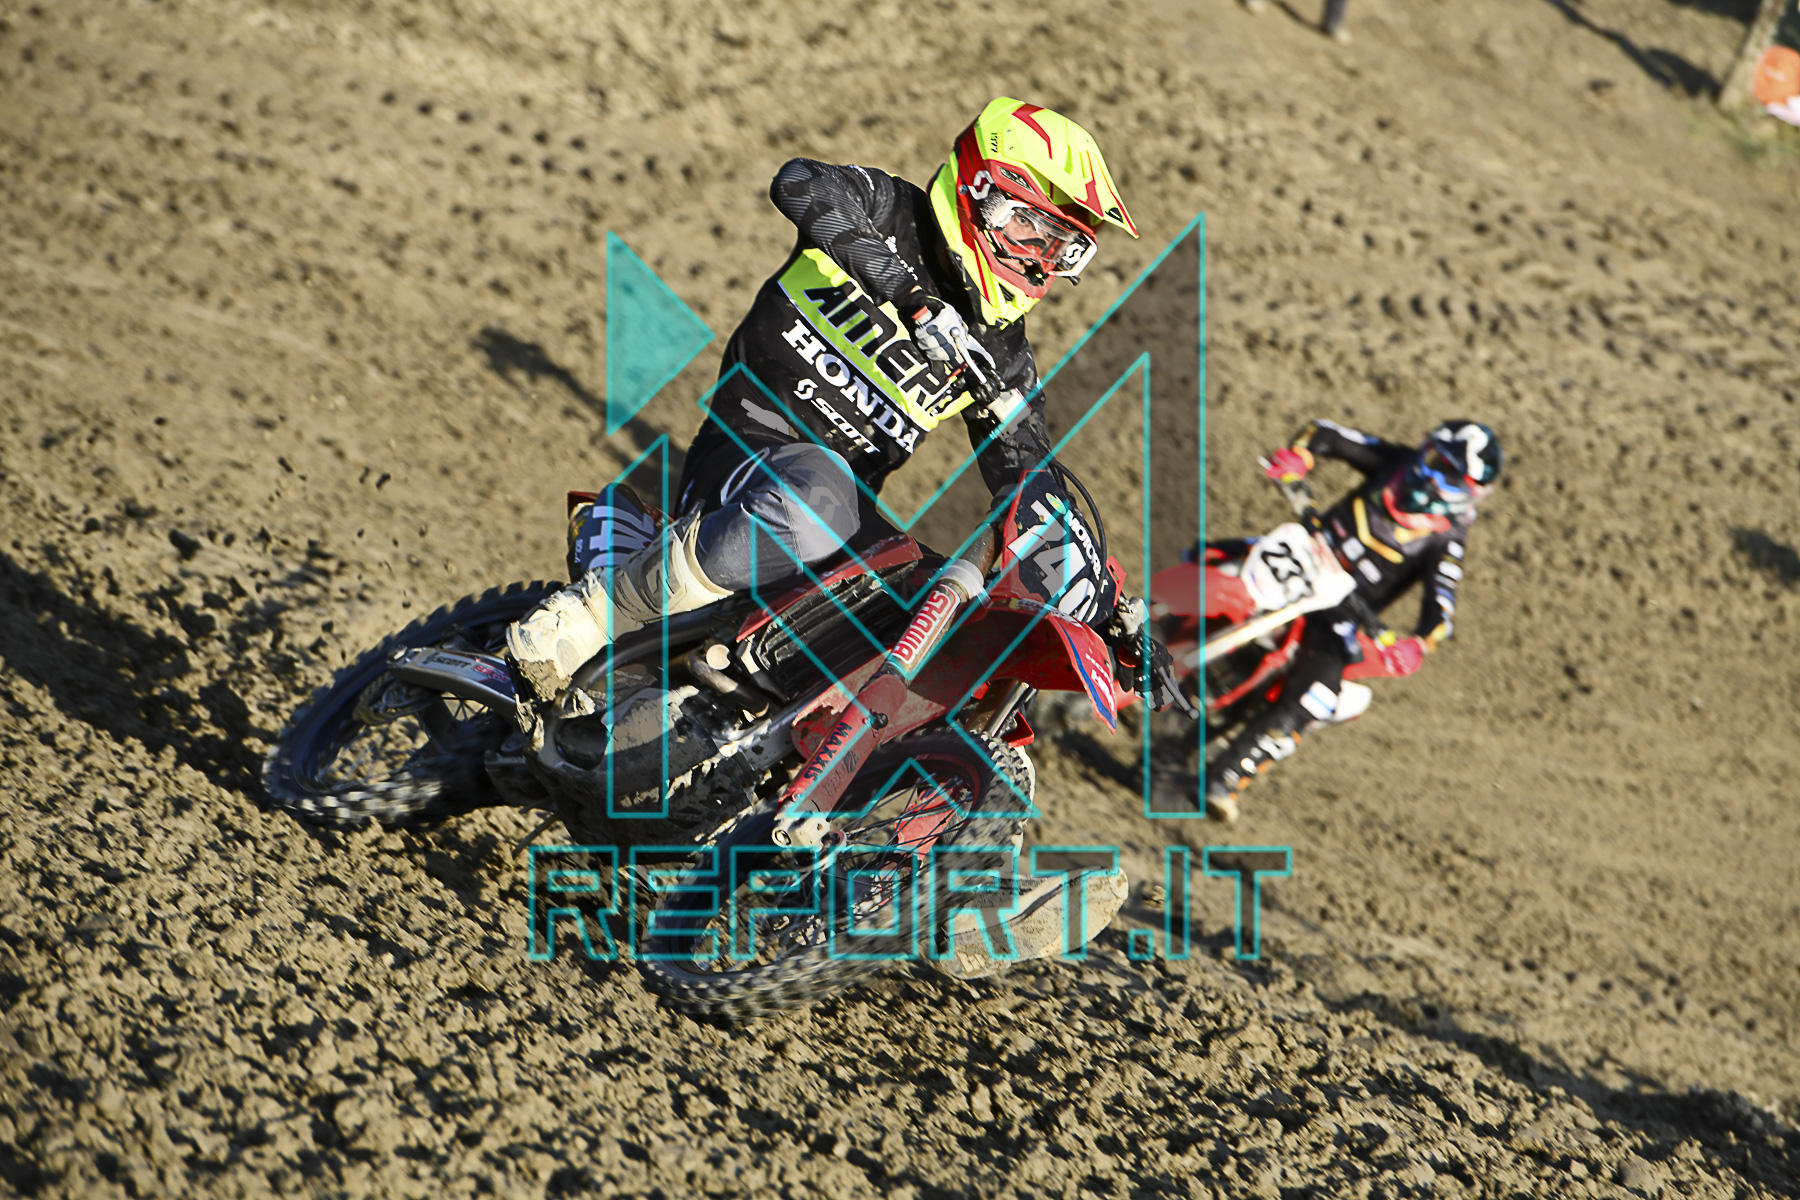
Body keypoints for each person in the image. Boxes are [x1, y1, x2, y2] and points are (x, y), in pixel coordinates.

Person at [507, 97, 1170, 968]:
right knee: (820, 489)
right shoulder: (884, 211)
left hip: (835, 520)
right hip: (755, 449)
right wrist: (914, 300)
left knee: (965, 623)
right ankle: (590, 615)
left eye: (1062, 246)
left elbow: (1029, 477)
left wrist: (1110, 605)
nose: (1039, 257)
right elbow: (800, 183)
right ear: (979, 189)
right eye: (1032, 228)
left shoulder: (1000, 347)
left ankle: (945, 889)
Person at [1202, 419, 1504, 821]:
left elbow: (1440, 611)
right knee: (1210, 558)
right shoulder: (1395, 462)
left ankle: (1226, 777)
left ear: (1468, 491)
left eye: (1445, 469)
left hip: (1339, 612)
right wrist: (1299, 456)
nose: (1428, 470)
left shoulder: (1447, 541)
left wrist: (1417, 644)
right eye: (1432, 456)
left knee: (1316, 696)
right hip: (1301, 557)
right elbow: (1326, 433)